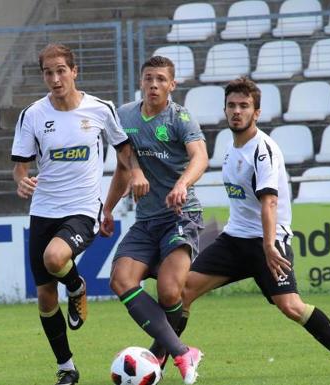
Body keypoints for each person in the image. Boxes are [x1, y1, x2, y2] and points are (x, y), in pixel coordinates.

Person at [179, 77, 330, 377]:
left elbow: (269, 202)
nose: (237, 111)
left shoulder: (263, 150)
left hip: (266, 242)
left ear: (256, 112)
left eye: (244, 106)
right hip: (235, 238)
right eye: (232, 105)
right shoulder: (229, 150)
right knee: (181, 292)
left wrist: (269, 246)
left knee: (291, 306)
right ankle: (165, 359)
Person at [11, 43, 144, 385]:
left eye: (60, 71)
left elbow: (124, 151)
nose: (55, 79)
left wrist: (137, 174)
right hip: (43, 210)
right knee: (44, 296)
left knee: (56, 257)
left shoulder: (100, 110)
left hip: (84, 208)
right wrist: (22, 181)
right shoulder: (33, 115)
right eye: (48, 72)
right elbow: (20, 167)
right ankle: (67, 367)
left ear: (74, 71)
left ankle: (77, 285)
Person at [100, 55, 208, 385]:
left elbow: (200, 156)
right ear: (141, 82)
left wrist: (181, 184)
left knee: (169, 292)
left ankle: (168, 351)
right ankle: (182, 352)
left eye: (161, 79)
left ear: (172, 85)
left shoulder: (180, 118)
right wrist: (108, 209)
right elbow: (123, 165)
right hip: (146, 220)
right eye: (148, 78)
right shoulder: (126, 115)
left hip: (181, 215)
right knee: (120, 279)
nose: (154, 84)